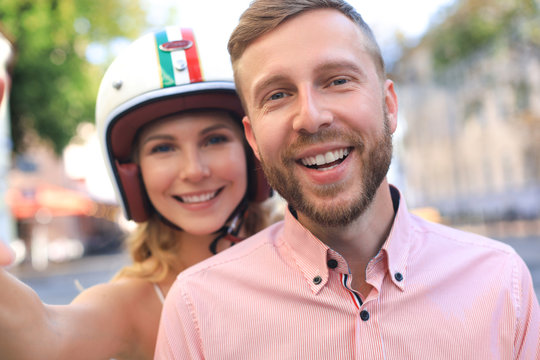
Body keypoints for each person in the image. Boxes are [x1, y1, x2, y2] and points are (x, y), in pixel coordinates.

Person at [154, 1, 540, 359]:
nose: (311, 116)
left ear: (389, 106)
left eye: (337, 80)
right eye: (277, 94)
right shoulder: (197, 311)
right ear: (253, 138)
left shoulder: (501, 283)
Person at [0, 26, 279, 360]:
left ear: (251, 149)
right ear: (132, 174)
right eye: (163, 148)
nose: (194, 170)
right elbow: (41, 337)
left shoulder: (316, 254)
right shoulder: (128, 306)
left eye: (215, 139)